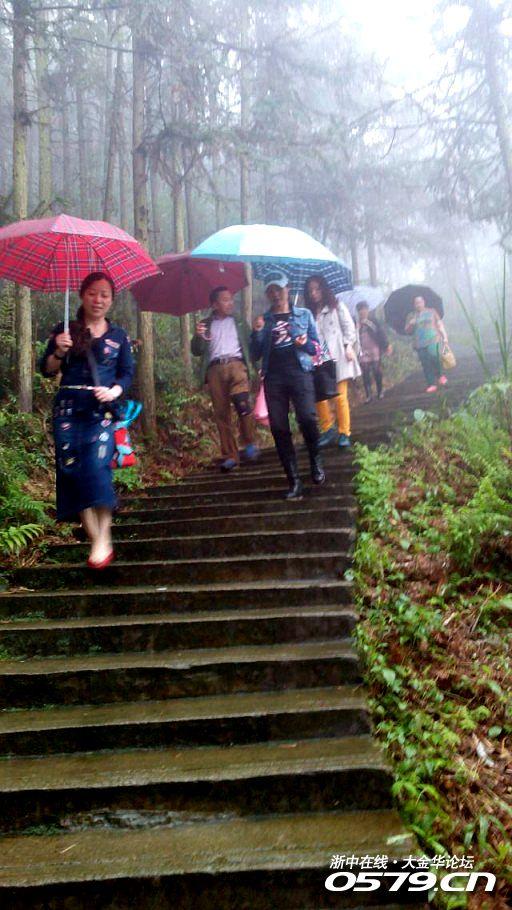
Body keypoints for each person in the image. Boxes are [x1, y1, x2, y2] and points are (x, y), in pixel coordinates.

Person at [40, 271, 134, 569]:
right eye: (92, 293)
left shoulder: (118, 336)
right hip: (68, 410)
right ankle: (97, 538)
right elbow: (46, 369)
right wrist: (59, 350)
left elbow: (126, 373)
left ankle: (103, 538)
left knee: (97, 467)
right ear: (82, 295)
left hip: (101, 411)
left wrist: (114, 391)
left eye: (105, 294)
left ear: (112, 300)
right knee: (73, 472)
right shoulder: (66, 329)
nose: (98, 299)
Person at [250, 271, 324, 500]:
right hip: (274, 376)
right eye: (271, 290)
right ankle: (294, 481)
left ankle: (315, 459)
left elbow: (317, 348)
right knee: (279, 427)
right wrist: (257, 333)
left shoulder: (304, 315)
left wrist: (305, 343)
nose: (276, 294)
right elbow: (254, 354)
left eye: (279, 289)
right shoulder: (264, 320)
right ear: (267, 294)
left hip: (300, 371)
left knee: (308, 418)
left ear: (288, 288)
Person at [191, 286, 259, 472]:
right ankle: (230, 455)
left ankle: (249, 442)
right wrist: (198, 336)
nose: (230, 303)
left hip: (237, 366)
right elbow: (196, 350)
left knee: (242, 404)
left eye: (231, 299)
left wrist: (257, 368)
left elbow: (251, 346)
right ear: (215, 304)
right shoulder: (205, 324)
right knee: (221, 414)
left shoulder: (239, 321)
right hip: (214, 370)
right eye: (225, 300)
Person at [304, 274, 361, 449]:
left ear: (324, 289)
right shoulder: (307, 314)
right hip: (318, 359)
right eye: (310, 290)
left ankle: (344, 432)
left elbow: (349, 328)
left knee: (340, 396)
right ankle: (328, 429)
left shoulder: (337, 307)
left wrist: (349, 346)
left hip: (338, 357)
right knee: (319, 398)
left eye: (317, 289)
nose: (314, 293)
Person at [405, 295, 448, 392]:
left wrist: (444, 336)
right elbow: (407, 331)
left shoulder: (432, 311)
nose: (418, 305)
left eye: (420, 302)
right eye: (416, 303)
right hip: (419, 343)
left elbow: (439, 324)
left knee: (435, 357)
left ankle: (440, 376)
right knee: (425, 363)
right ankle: (431, 383)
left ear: (424, 302)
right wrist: (410, 324)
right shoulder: (411, 316)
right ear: (414, 305)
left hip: (433, 339)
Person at [356, 301, 392, 403]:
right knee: (365, 371)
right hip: (362, 349)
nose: (362, 312)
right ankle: (368, 395)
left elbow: (380, 332)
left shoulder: (373, 320)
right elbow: (353, 336)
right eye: (360, 310)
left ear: (367, 310)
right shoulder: (356, 323)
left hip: (374, 348)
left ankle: (380, 391)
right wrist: (357, 328)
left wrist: (386, 345)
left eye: (364, 309)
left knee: (376, 369)